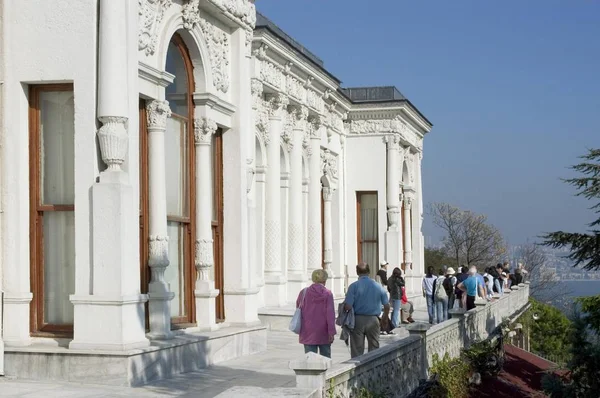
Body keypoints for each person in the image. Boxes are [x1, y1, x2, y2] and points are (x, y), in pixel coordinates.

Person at [344, 263, 390, 358]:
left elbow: (348, 306)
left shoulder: (353, 286)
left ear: (357, 272)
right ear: (369, 271)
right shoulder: (378, 286)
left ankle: (358, 370)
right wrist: (385, 318)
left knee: (357, 350)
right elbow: (386, 305)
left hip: (358, 320)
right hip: (373, 319)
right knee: (374, 349)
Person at [296, 269, 336, 358]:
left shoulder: (304, 292)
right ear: (325, 280)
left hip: (308, 330)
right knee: (325, 359)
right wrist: (331, 332)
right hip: (324, 331)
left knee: (310, 359)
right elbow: (330, 314)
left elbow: (298, 307)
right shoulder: (328, 294)